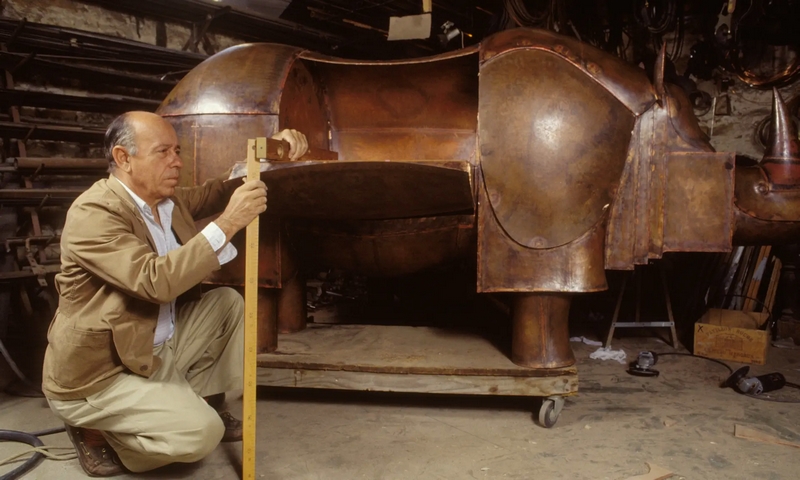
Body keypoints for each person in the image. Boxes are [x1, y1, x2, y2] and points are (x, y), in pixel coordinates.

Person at [41, 111, 308, 476]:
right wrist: (229, 223)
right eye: (163, 151)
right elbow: (155, 281)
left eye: (177, 150)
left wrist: (265, 158)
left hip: (150, 348)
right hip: (103, 372)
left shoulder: (164, 201)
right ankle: (102, 432)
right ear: (123, 158)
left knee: (226, 303)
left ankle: (195, 401)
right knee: (202, 435)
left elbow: (219, 191)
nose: (177, 161)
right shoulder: (94, 213)